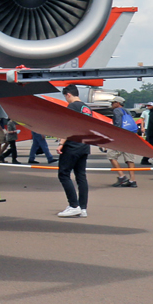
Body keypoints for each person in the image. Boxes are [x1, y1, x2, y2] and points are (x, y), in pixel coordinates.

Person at [54, 85, 92, 217]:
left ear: (68, 94)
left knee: (63, 174)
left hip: (72, 145)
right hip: (84, 145)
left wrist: (61, 143)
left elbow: (68, 126)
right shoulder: (87, 108)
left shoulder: (72, 106)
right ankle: (83, 208)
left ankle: (73, 205)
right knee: (81, 176)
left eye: (65, 97)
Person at [107, 98, 139, 187]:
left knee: (111, 155)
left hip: (121, 138)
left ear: (118, 103)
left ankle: (122, 176)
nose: (112, 104)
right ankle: (132, 180)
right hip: (131, 137)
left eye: (113, 103)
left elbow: (118, 125)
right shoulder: (127, 111)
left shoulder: (116, 111)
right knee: (130, 159)